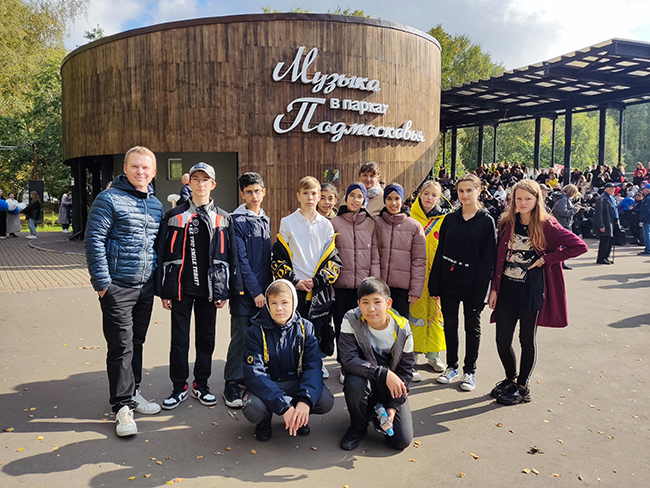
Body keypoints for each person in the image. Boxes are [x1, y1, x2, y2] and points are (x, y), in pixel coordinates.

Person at [85, 146, 164, 437]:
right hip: (117, 287)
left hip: (145, 287)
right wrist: (103, 284)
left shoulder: (155, 205)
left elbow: (155, 246)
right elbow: (94, 239)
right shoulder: (108, 199)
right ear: (125, 169)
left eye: (146, 168)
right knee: (120, 346)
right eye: (135, 166)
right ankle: (121, 407)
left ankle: (133, 393)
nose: (140, 172)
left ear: (153, 172)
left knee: (137, 342)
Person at [488, 180, 587, 405]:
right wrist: (494, 288)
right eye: (519, 198)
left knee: (526, 339)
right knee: (502, 339)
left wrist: (546, 259)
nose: (523, 203)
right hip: (506, 289)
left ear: (536, 200)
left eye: (528, 199)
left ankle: (523, 387)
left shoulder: (547, 224)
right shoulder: (506, 222)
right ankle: (511, 379)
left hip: (531, 291)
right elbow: (498, 259)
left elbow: (579, 246)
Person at [155, 162, 242, 410]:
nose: (200, 184)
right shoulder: (174, 216)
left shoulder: (224, 218)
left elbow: (232, 257)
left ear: (213, 184)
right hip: (180, 288)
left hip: (210, 290)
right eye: (196, 179)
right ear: (189, 183)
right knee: (179, 340)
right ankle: (179, 387)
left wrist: (226, 290)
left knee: (206, 339)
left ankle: (201, 385)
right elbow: (162, 253)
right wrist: (163, 290)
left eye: (205, 180)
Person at [242, 280, 334, 442]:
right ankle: (264, 421)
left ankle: (299, 417)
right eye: (273, 303)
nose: (279, 308)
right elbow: (254, 374)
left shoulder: (306, 328)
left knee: (325, 400)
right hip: (269, 383)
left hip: (295, 382)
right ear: (267, 305)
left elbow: (313, 366)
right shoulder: (255, 331)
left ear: (294, 303)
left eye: (284, 302)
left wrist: (305, 401)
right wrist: (283, 406)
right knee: (253, 408)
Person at [429, 174, 496, 392]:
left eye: (469, 190)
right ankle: (452, 366)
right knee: (449, 325)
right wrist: (434, 284)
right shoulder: (450, 219)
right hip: (449, 282)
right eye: (461, 191)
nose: (465, 195)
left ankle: (470, 370)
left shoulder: (486, 221)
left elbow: (488, 260)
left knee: (472, 327)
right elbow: (440, 252)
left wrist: (482, 291)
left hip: (473, 284)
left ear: (479, 191)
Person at [273, 176, 341, 378]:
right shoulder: (287, 222)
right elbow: (279, 257)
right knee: (295, 327)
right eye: (305, 193)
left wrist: (317, 280)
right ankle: (294, 364)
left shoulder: (326, 225)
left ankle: (316, 362)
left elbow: (332, 259)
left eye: (314, 193)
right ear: (298, 196)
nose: (310, 197)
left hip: (317, 287)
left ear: (319, 196)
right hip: (296, 287)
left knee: (318, 328)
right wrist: (295, 281)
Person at [338, 277, 415, 451]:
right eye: (365, 302)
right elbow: (348, 360)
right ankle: (358, 427)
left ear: (388, 303)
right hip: (365, 376)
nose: (371, 308)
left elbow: (406, 371)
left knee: (401, 441)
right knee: (354, 383)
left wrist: (393, 406)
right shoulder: (351, 319)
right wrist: (383, 373)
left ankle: (376, 409)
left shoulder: (403, 329)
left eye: (377, 302)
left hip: (390, 385)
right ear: (359, 304)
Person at [224, 172, 272, 408]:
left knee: (259, 337)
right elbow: (240, 261)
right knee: (241, 337)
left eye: (257, 191)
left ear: (264, 192)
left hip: (264, 290)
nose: (254, 196)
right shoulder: (236, 221)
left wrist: (267, 290)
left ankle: (250, 376)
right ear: (242, 194)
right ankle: (231, 382)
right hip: (245, 292)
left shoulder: (265, 219)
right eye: (249, 192)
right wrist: (255, 292)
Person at [376, 183, 426, 382]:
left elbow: (419, 260)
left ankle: (405, 366)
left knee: (401, 328)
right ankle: (382, 366)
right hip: (381, 288)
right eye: (389, 199)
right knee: (379, 327)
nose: (393, 203)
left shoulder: (414, 226)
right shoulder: (376, 223)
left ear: (403, 200)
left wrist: (415, 289)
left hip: (402, 287)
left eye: (397, 198)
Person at [331, 183, 380, 384]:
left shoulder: (371, 223)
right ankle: (344, 365)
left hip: (363, 288)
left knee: (363, 327)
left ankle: (360, 364)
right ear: (346, 198)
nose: (355, 200)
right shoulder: (334, 223)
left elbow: (375, 255)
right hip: (341, 286)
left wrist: (374, 285)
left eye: (360, 196)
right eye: (352, 195)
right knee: (342, 327)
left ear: (364, 200)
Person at [410, 180, 449, 374]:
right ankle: (412, 352)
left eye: (434, 195)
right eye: (426, 193)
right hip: (414, 275)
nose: (429, 198)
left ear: (439, 198)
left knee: (436, 315)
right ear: (419, 194)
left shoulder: (445, 219)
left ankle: (434, 354)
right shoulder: (409, 217)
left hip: (437, 275)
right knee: (413, 314)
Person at [552, 184, 580, 270]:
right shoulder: (563, 199)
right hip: (563, 224)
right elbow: (563, 212)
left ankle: (561, 262)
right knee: (565, 244)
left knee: (564, 244)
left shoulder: (563, 199)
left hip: (565, 224)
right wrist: (575, 210)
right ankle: (560, 261)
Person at [594, 183, 619, 264]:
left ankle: (606, 257)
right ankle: (601, 258)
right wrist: (601, 225)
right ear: (606, 189)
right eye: (611, 188)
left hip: (613, 221)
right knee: (605, 240)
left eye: (613, 188)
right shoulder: (602, 199)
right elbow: (599, 213)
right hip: (606, 222)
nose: (613, 190)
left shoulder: (613, 198)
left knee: (610, 240)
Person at [638, 184, 650, 255]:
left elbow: (647, 211)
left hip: (647, 220)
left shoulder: (647, 199)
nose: (643, 191)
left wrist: (642, 220)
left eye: (644, 189)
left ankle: (648, 249)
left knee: (646, 235)